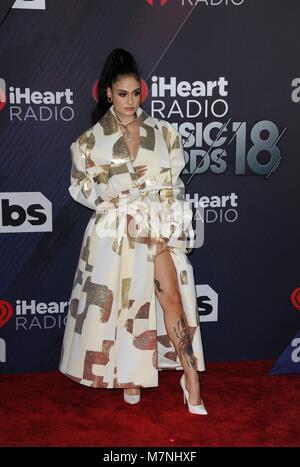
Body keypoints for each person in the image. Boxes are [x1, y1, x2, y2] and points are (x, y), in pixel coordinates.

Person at [59, 48, 207, 415]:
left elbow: (175, 186)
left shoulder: (164, 134)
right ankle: (130, 375)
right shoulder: (89, 142)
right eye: (122, 94)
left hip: (156, 230)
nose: (130, 101)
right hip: (115, 233)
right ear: (108, 92)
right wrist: (117, 191)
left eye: (136, 93)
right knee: (124, 306)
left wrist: (170, 229)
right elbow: (84, 189)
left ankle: (191, 380)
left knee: (171, 299)